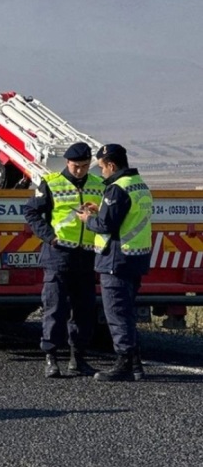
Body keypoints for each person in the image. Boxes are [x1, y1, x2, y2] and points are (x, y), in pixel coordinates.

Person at [23, 142, 104, 378]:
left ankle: (77, 359)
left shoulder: (99, 185)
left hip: (87, 255)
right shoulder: (51, 182)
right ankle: (51, 357)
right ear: (67, 162)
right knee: (55, 308)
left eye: (85, 166)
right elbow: (31, 212)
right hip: (58, 255)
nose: (80, 170)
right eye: (76, 166)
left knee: (84, 310)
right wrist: (50, 237)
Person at [78, 144, 153, 382]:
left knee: (117, 313)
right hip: (136, 258)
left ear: (111, 165)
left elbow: (106, 226)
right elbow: (125, 218)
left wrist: (88, 219)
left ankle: (124, 364)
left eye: (101, 168)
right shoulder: (139, 185)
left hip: (116, 259)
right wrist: (101, 210)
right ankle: (136, 364)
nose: (101, 173)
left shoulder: (116, 190)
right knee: (127, 312)